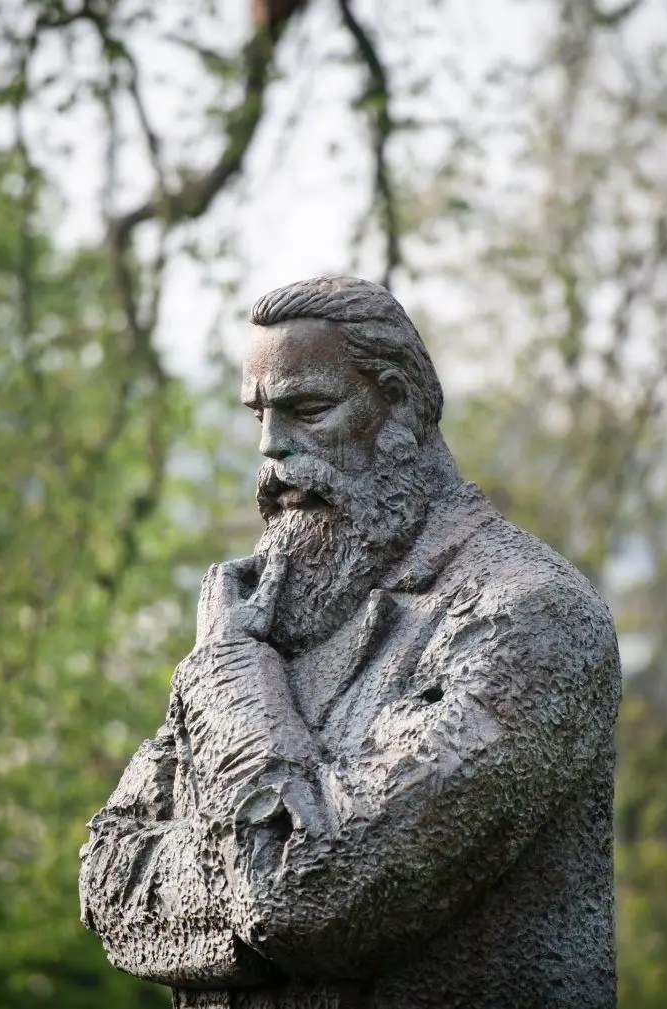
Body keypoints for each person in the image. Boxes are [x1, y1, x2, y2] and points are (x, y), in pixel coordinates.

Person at [79, 276, 622, 1008]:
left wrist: (232, 675)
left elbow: (306, 897)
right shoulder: (264, 611)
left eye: (309, 410)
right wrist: (269, 899)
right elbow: (111, 876)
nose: (272, 449)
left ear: (399, 406)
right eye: (260, 416)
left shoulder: (530, 617)